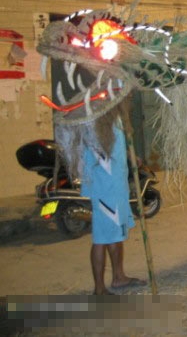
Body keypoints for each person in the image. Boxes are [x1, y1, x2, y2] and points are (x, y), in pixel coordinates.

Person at [81, 115, 146, 295]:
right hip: (105, 189)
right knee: (102, 238)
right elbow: (99, 154)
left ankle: (119, 277)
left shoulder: (113, 118)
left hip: (115, 187)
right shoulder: (97, 119)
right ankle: (99, 289)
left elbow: (111, 148)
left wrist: (128, 155)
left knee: (114, 234)